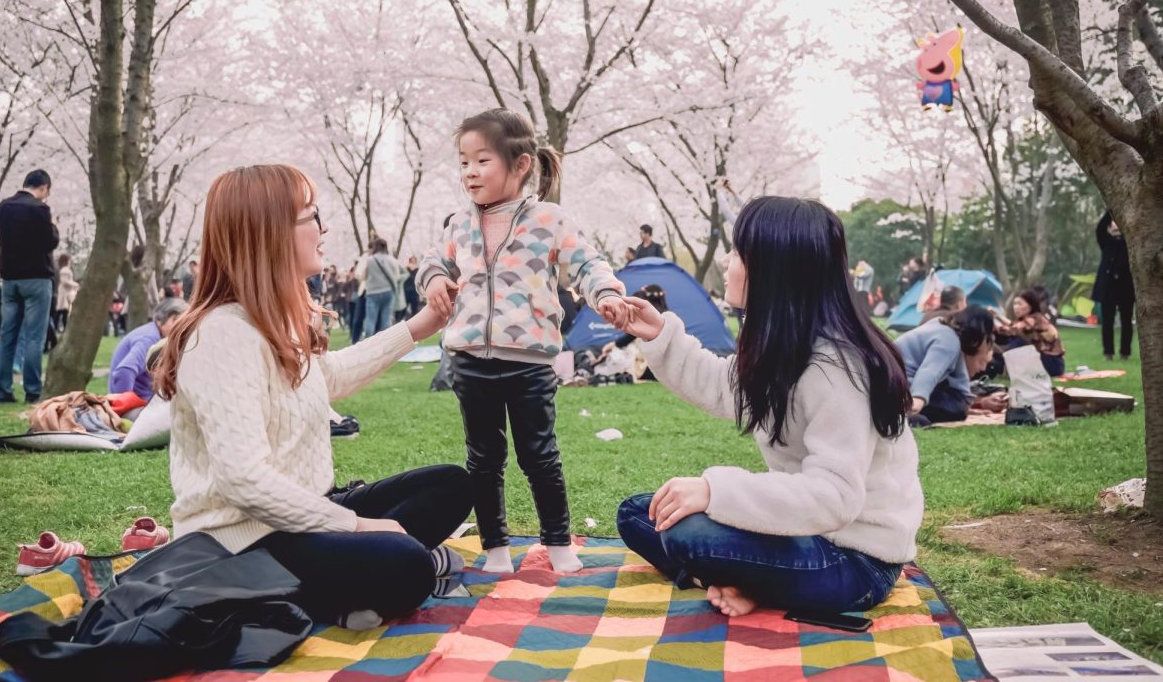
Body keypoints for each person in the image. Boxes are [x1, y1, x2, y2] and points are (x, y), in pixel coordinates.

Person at [153, 164, 472, 629]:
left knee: (451, 485)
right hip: (241, 541)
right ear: (269, 232)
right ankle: (300, 599)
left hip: (302, 514)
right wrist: (357, 526)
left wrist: (422, 326)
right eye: (312, 216)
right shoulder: (221, 336)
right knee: (406, 562)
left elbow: (330, 378)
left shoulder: (273, 318)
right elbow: (243, 481)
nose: (324, 229)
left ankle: (343, 590)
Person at [612, 196, 921, 618]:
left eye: (738, 252)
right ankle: (745, 579)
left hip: (855, 558)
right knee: (639, 514)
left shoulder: (838, 369)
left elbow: (834, 497)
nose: (725, 261)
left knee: (688, 533)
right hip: (802, 533)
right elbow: (725, 388)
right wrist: (661, 334)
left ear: (775, 268)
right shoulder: (784, 347)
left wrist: (714, 490)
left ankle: (746, 579)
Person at [419, 108, 628, 574]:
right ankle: (496, 548)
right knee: (483, 458)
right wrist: (434, 278)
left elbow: (588, 264)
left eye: (482, 161)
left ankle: (558, 542)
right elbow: (431, 261)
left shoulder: (549, 220)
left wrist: (607, 293)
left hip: (530, 361)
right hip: (471, 359)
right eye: (463, 162)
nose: (470, 172)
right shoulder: (459, 223)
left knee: (540, 454)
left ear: (520, 166)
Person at [0, 169, 58, 404]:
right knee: (34, 337)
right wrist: (53, 225)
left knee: (7, 335)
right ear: (43, 187)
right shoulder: (39, 209)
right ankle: (32, 390)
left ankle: (3, 390)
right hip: (37, 278)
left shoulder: (0, 209)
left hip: (9, 279)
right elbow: (50, 242)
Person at [895, 306, 995, 426]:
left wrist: (968, 408)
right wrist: (917, 400)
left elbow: (960, 383)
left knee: (957, 405)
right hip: (900, 387)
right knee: (955, 408)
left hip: (896, 382)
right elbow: (930, 371)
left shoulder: (942, 328)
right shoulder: (949, 340)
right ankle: (905, 415)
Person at [108, 298, 189, 401]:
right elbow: (124, 371)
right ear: (160, 320)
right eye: (176, 320)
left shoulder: (156, 335)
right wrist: (125, 404)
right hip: (138, 406)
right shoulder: (149, 339)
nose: (181, 327)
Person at [994, 289, 1066, 377]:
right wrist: (997, 318)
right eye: (1014, 304)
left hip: (1052, 363)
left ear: (1031, 305)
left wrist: (996, 320)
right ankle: (1002, 366)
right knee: (1008, 339)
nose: (1016, 307)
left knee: (1017, 340)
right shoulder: (1027, 320)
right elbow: (1012, 326)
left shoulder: (1035, 319)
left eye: (1019, 304)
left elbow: (1013, 329)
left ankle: (1004, 366)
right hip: (1046, 361)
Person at [1094, 211, 1134, 360]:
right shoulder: (1106, 241)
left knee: (1126, 322)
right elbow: (1100, 228)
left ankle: (1125, 352)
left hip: (1126, 288)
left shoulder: (1130, 242)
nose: (1116, 227)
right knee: (1107, 322)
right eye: (1113, 224)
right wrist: (1112, 210)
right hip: (1108, 288)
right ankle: (1108, 352)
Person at [359, 238, 402, 338]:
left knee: (370, 320)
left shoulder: (370, 260)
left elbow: (363, 277)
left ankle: (368, 343)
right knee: (386, 320)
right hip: (388, 292)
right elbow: (397, 277)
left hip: (372, 293)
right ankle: (385, 343)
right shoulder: (392, 260)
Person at [54, 254, 79, 333]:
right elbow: (65, 281)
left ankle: (60, 327)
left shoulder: (64, 270)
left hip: (65, 292)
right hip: (64, 293)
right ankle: (60, 327)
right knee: (62, 311)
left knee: (62, 311)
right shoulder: (65, 270)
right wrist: (75, 284)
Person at [400, 256, 420, 321]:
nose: (413, 262)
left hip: (415, 291)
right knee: (404, 308)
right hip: (406, 291)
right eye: (412, 260)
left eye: (414, 260)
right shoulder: (406, 269)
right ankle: (402, 319)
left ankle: (414, 321)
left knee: (414, 308)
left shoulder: (418, 270)